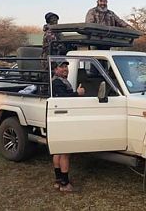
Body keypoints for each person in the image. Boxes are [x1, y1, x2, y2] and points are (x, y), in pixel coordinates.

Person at [51, 60, 85, 192]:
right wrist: (78, 93)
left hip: (59, 119)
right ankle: (65, 184)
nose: (65, 69)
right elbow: (64, 99)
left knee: (58, 151)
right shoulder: (57, 82)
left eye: (66, 66)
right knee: (65, 152)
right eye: (62, 67)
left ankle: (58, 180)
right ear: (55, 70)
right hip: (62, 120)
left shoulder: (61, 81)